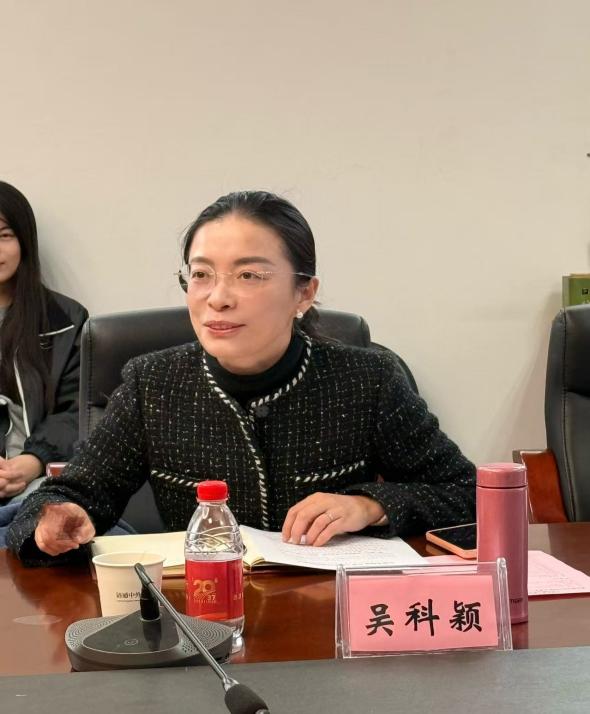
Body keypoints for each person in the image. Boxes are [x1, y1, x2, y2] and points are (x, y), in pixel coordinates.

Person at [7, 190, 475, 564]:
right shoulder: (154, 384)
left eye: (249, 275)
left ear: (304, 293)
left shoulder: (366, 380)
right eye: (201, 275)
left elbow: (466, 492)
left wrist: (370, 506)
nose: (218, 298)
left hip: (329, 618)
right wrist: (57, 519)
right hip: (200, 620)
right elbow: (70, 493)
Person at [0, 181, 88, 505]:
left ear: (24, 240)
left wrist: (32, 460)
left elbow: (80, 411)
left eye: (4, 236)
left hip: (35, 485)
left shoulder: (64, 320)